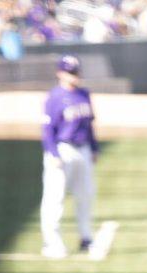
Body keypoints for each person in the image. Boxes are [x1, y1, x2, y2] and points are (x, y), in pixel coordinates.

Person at [40, 54, 98, 259]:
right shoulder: (54, 98)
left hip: (83, 150)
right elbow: (47, 130)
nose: (74, 76)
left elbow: (89, 124)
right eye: (70, 72)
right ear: (60, 73)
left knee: (85, 195)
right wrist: (53, 153)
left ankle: (86, 238)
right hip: (62, 150)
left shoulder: (84, 94)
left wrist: (94, 148)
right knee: (55, 198)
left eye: (76, 72)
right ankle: (52, 243)